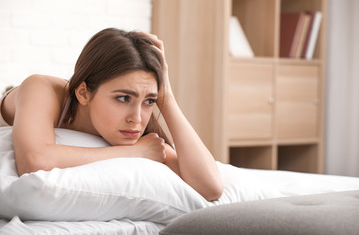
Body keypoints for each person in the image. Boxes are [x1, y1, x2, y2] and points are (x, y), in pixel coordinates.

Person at [0, 28, 223, 201]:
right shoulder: (41, 88)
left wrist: (167, 97)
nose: (137, 118)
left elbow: (210, 187)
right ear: (83, 93)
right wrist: (134, 153)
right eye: (123, 98)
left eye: (149, 101)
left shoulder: (138, 133)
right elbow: (34, 161)